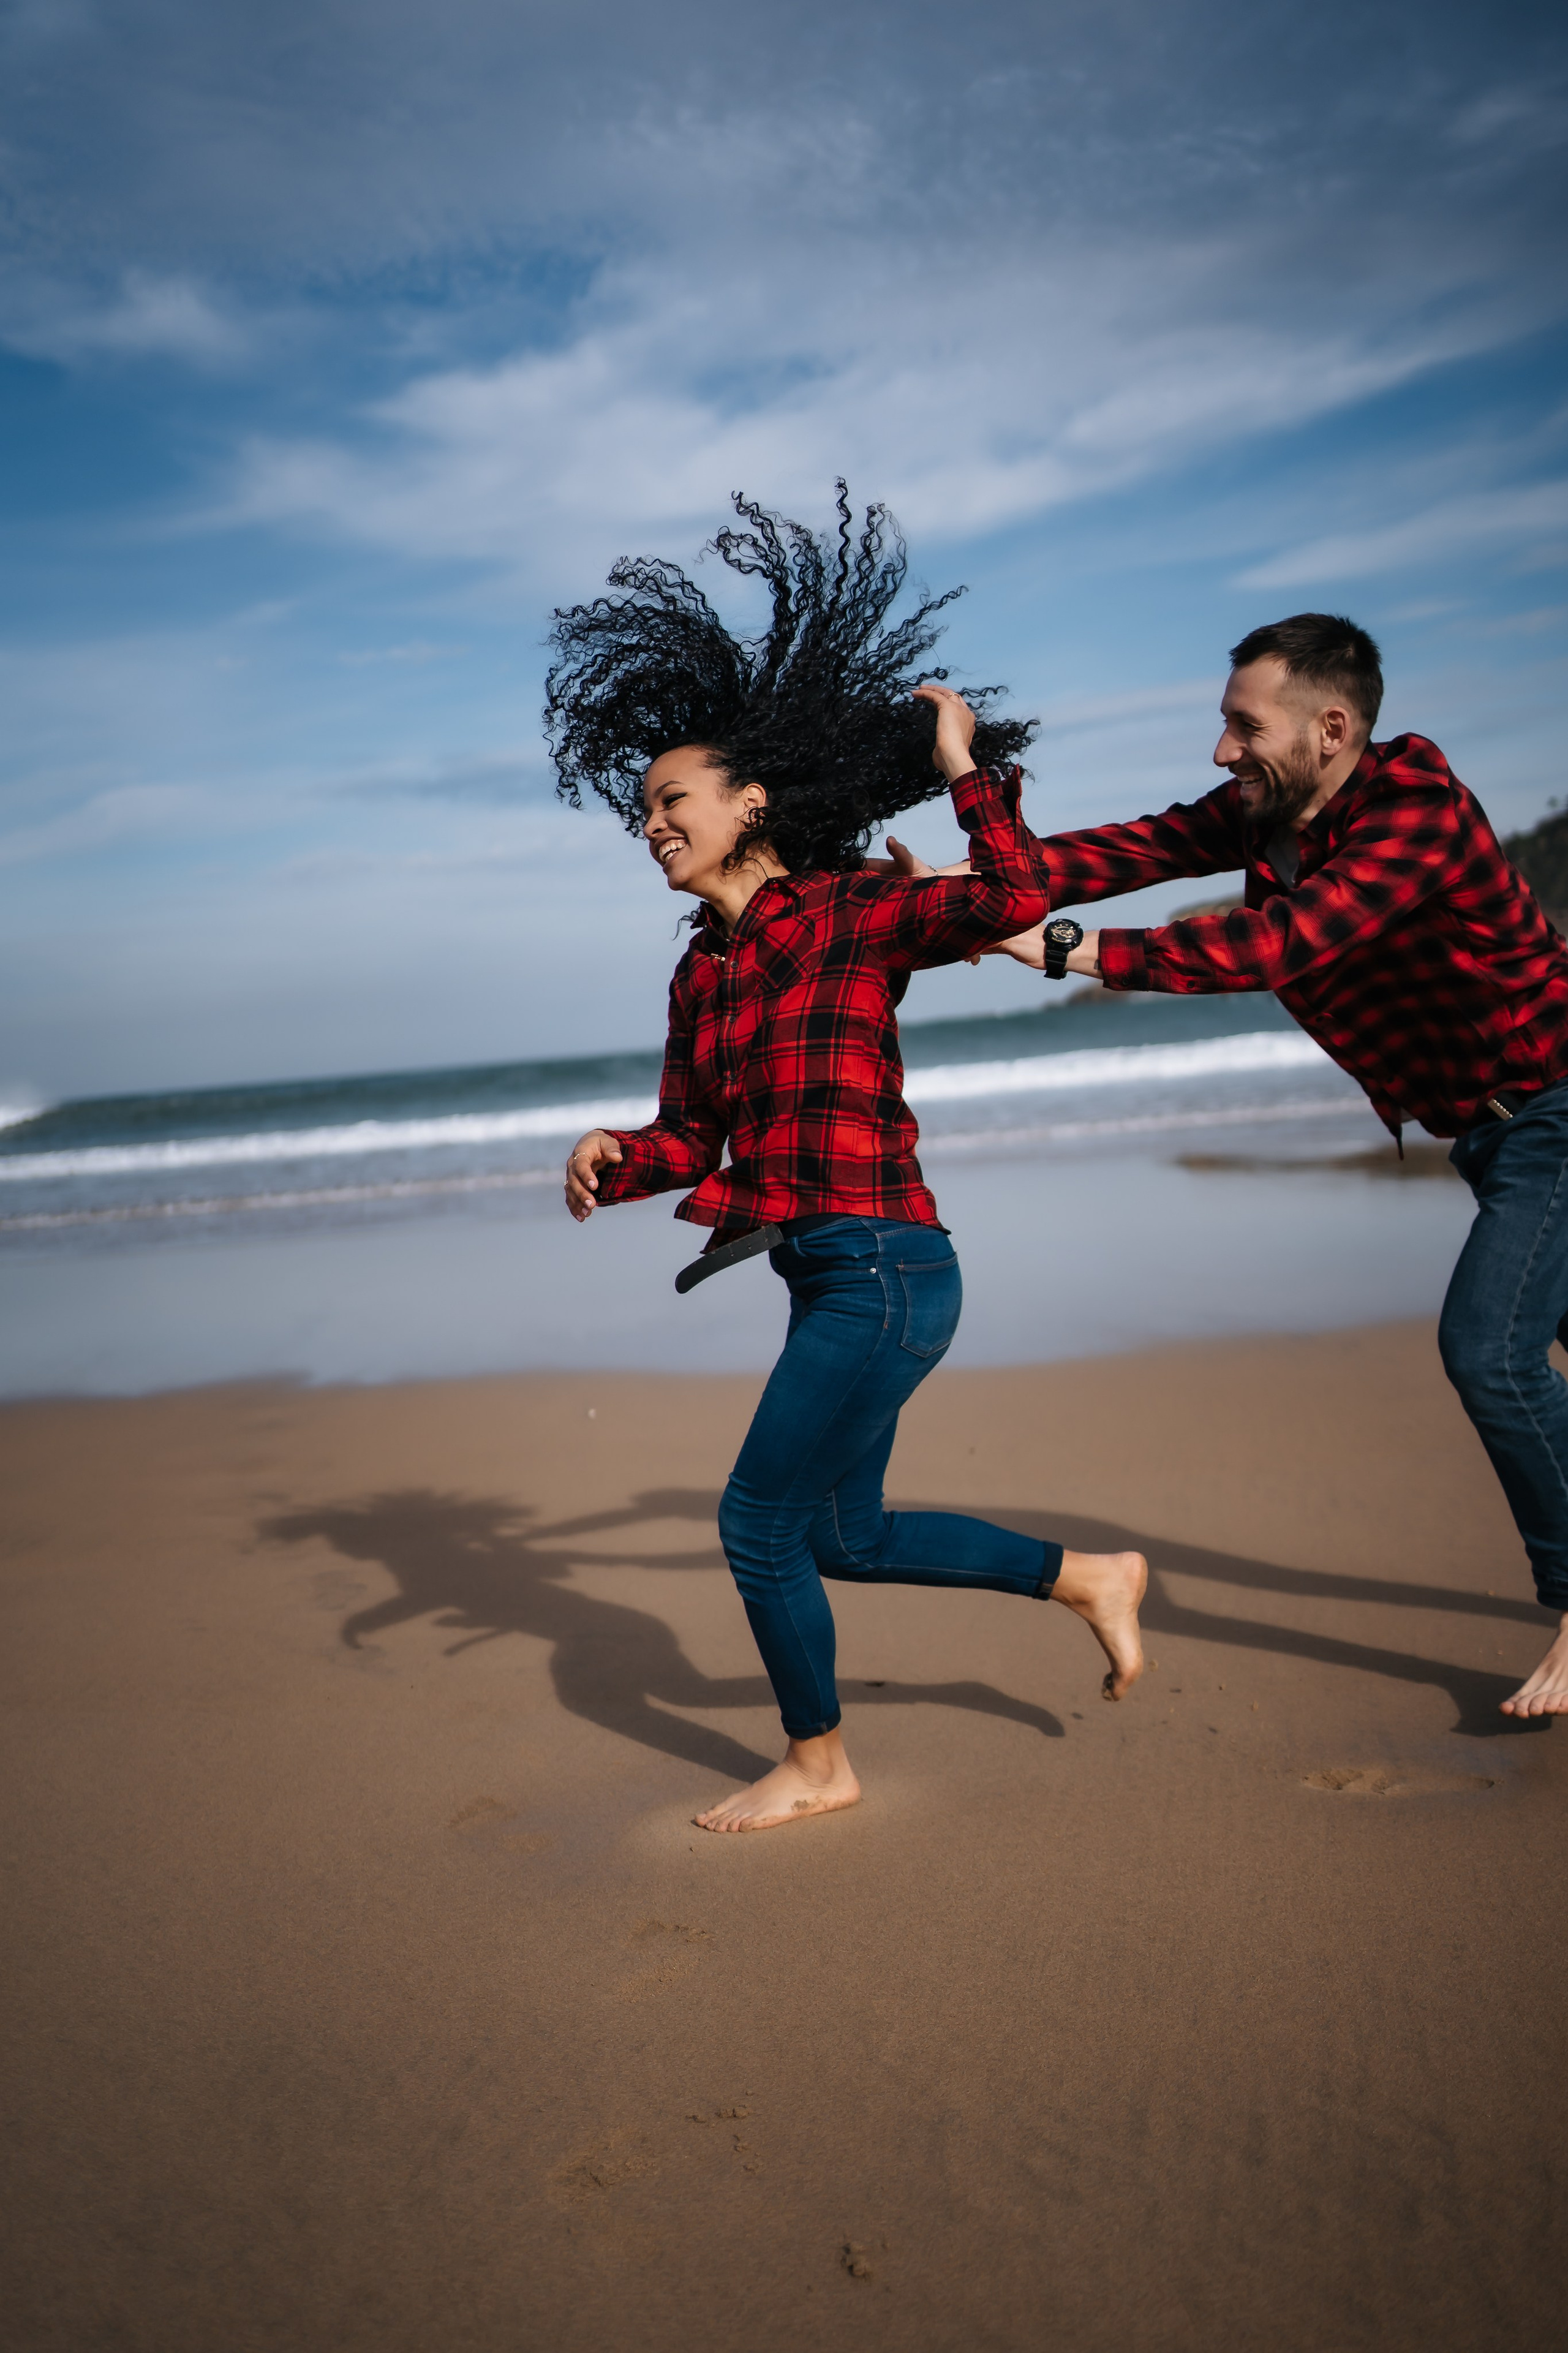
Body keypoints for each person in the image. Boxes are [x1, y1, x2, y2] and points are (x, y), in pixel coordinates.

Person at [548, 488, 1147, 1833]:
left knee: (756, 1523)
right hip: (825, 1279)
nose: (651, 822)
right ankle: (1089, 1578)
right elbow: (690, 1137)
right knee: (841, 1536)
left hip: (885, 1264)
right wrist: (611, 1153)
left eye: (673, 800)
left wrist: (959, 762)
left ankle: (820, 1764)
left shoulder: (852, 910)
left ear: (751, 801)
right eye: (639, 810)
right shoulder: (698, 975)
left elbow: (1009, 901)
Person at [890, 611, 1568, 1720]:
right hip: (1497, 1132)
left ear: (1334, 727)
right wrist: (974, 881)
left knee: (1490, 1352)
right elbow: (1116, 853)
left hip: (1558, 1103)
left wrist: (1058, 948)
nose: (1221, 753)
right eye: (1223, 726)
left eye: (1243, 727)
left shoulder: (1417, 810)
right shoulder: (1267, 814)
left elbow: (1274, 947)